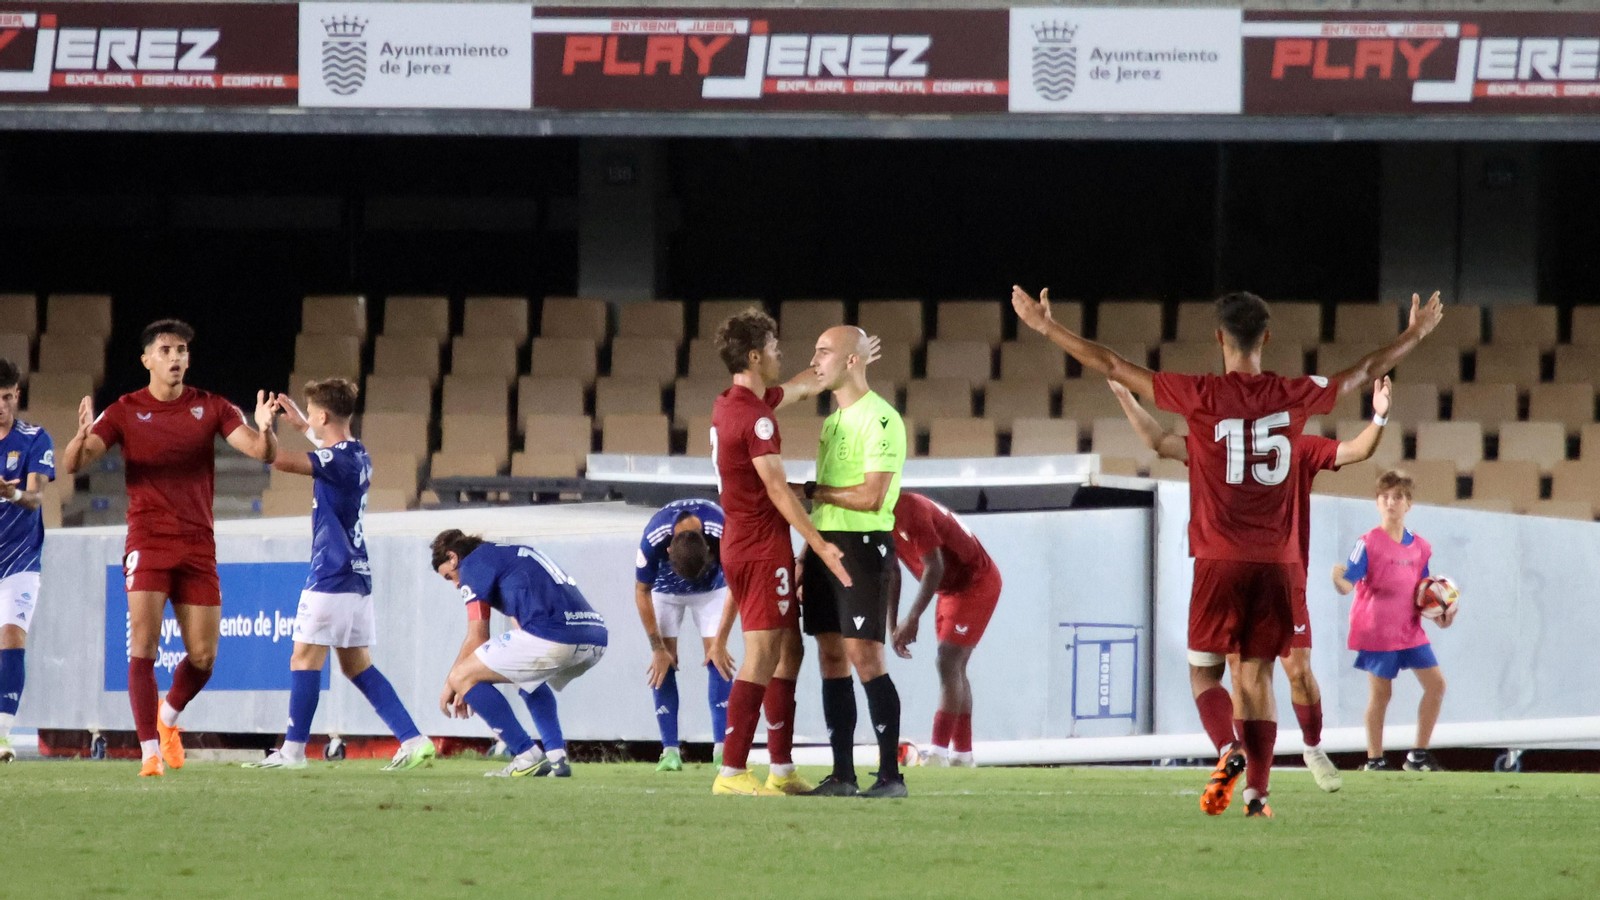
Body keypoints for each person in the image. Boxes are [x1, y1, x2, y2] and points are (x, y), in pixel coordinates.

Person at [1013, 285, 1442, 817]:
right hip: (1280, 564)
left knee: (1205, 674)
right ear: (1266, 336)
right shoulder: (1293, 393)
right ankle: (1258, 795)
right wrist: (1414, 333)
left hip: (1220, 559)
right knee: (1258, 677)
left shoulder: (1201, 397)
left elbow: (1112, 363)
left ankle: (1228, 747)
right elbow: (1361, 370)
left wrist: (1045, 327)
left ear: (1219, 338)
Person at [1108, 375, 1395, 793]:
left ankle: (1311, 747)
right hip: (1252, 574)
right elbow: (1162, 441)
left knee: (1296, 671)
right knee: (1245, 677)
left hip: (1284, 576)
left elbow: (1356, 450)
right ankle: (1253, 790)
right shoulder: (1223, 449)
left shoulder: (1296, 446)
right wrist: (1128, 400)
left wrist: (1380, 417)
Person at [60, 319, 278, 777]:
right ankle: (148, 753)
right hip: (148, 539)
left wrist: (266, 431)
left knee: (203, 658)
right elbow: (73, 464)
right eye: (166, 350)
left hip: (198, 543)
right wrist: (80, 437)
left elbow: (260, 452)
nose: (176, 357)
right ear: (147, 360)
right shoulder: (124, 410)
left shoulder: (211, 406)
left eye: (181, 350)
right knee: (143, 645)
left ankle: (167, 719)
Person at [707, 308, 866, 797]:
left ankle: (780, 768)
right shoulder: (755, 420)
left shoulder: (733, 403)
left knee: (788, 651)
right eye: (774, 349)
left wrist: (841, 365)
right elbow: (778, 490)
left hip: (747, 540)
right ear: (755, 356)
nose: (781, 356)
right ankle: (732, 772)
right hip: (758, 545)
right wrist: (818, 544)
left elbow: (798, 388)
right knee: (762, 655)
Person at [244, 379, 435, 771]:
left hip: (331, 572)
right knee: (356, 666)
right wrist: (303, 427)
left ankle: (293, 752)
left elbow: (278, 460)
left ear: (324, 415)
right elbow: (331, 450)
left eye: (313, 413)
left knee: (303, 658)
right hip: (356, 576)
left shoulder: (338, 460)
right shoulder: (359, 453)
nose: (309, 418)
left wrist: (264, 429)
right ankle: (414, 740)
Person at [799, 325, 909, 799]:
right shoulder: (831, 422)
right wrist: (808, 548)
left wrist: (809, 491)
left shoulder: (882, 419)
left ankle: (890, 776)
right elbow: (824, 505)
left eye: (823, 351)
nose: (814, 360)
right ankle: (842, 774)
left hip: (862, 543)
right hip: (825, 542)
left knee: (864, 654)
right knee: (829, 654)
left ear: (849, 361)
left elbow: (871, 495)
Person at [433, 530, 606, 778]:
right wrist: (472, 679)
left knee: (461, 676)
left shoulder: (472, 564)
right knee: (525, 678)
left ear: (453, 557)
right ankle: (557, 759)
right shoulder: (506, 556)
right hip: (595, 636)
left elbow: (478, 635)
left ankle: (526, 755)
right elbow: (519, 629)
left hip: (557, 636)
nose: (456, 584)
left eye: (450, 576)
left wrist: (455, 682)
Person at [1332, 469, 1454, 772]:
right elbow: (1348, 584)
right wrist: (1337, 577)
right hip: (1378, 631)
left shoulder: (1421, 546)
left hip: (1410, 630)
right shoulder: (1368, 543)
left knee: (1437, 685)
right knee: (1382, 694)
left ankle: (1418, 756)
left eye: (1397, 497)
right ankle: (1375, 759)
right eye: (1384, 497)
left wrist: (1441, 614)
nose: (1390, 502)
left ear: (1408, 504)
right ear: (1377, 503)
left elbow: (1425, 591)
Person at [888, 491, 1001, 768]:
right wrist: (892, 626)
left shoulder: (909, 508)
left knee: (948, 661)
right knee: (953, 666)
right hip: (950, 588)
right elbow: (891, 571)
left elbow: (934, 566)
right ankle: (962, 756)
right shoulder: (876, 514)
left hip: (976, 581)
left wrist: (913, 618)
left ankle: (938, 753)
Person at [634, 498, 732, 772]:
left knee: (718, 659)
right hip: (666, 591)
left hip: (712, 589)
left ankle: (723, 750)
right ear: (667, 549)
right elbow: (641, 591)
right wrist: (657, 648)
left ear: (710, 551)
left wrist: (721, 641)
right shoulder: (652, 538)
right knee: (665, 662)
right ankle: (669, 751)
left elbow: (737, 584)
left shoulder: (724, 530)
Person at [0, 359, 54, 763]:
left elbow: (35, 499)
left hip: (19, 559)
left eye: (6, 397)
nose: (0, 406)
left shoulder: (35, 439)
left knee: (12, 637)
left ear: (16, 395)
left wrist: (12, 494)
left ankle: (1, 736)